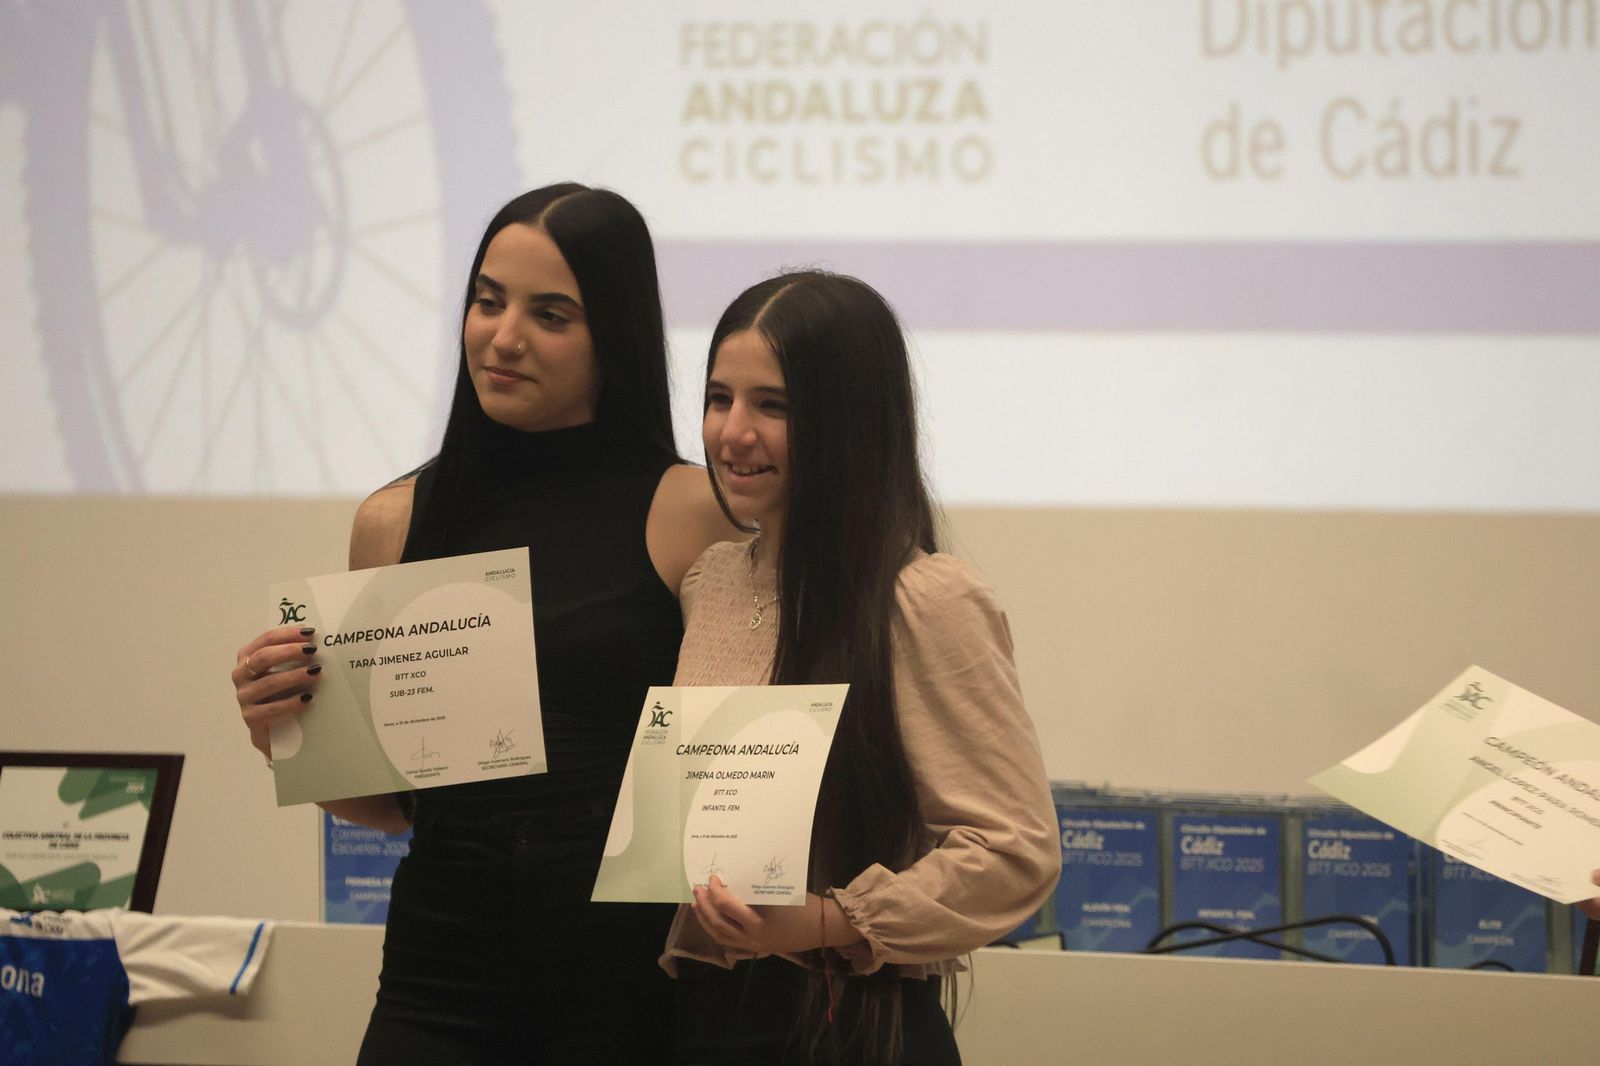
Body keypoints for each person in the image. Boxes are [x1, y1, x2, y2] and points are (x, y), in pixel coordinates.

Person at [229, 183, 737, 1064]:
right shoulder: (395, 519)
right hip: (440, 967)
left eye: (550, 314)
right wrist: (284, 727)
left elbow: (725, 787)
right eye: (487, 300)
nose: (502, 338)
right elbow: (389, 805)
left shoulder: (692, 511)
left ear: (610, 333)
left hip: (627, 978)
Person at [663, 271, 1061, 1065]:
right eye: (719, 399)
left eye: (772, 406)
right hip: (697, 1022)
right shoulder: (710, 583)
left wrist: (829, 919)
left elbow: (1015, 851)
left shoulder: (924, 598)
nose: (732, 433)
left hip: (847, 1028)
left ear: (847, 423)